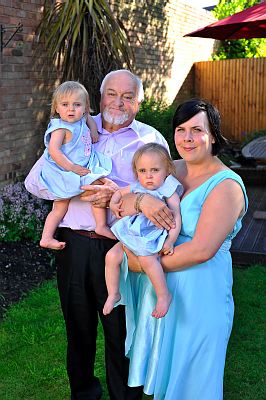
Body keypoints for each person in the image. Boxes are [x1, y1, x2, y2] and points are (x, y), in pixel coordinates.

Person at [24, 69, 170, 400]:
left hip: (121, 247)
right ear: (99, 97)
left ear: (140, 102)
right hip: (73, 245)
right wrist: (78, 188)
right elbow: (33, 182)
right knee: (79, 329)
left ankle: (124, 395)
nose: (118, 102)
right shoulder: (74, 129)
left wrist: (122, 198)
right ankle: (85, 394)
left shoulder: (150, 140)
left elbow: (162, 196)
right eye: (111, 94)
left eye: (128, 96)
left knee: (121, 329)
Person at [116, 98, 248, 400]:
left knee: (193, 381)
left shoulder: (226, 184)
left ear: (213, 135)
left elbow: (202, 249)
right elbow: (124, 203)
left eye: (197, 130)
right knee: (168, 375)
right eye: (180, 129)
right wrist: (141, 201)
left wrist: (140, 263)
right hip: (164, 294)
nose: (187, 138)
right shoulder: (169, 169)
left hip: (201, 296)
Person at [27, 80, 115, 250]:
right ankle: (46, 237)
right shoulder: (60, 128)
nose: (71, 109)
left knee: (96, 188)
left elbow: (88, 118)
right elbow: (53, 150)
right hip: (64, 171)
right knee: (60, 207)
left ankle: (100, 226)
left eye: (77, 105)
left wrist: (94, 130)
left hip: (81, 165)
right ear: (56, 108)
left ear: (85, 107)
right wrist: (72, 168)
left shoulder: (81, 118)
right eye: (65, 105)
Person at [103, 143, 183, 318]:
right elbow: (118, 193)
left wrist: (170, 241)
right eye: (142, 171)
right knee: (111, 256)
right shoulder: (137, 186)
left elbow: (176, 218)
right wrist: (113, 203)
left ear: (167, 169)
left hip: (151, 234)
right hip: (131, 234)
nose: (148, 176)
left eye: (155, 170)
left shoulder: (168, 190)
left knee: (147, 261)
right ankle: (113, 293)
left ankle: (163, 295)